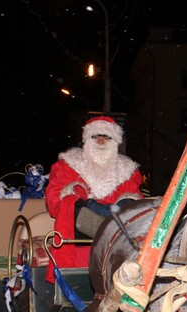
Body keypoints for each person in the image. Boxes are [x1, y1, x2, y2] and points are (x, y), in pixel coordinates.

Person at [44, 116, 143, 283]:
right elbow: (53, 202)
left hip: (115, 217)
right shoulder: (67, 166)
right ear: (86, 140)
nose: (101, 142)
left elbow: (134, 198)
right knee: (73, 203)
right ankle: (108, 231)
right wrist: (78, 192)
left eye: (106, 137)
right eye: (95, 137)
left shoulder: (128, 171)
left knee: (131, 205)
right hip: (81, 232)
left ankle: (107, 229)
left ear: (115, 141)